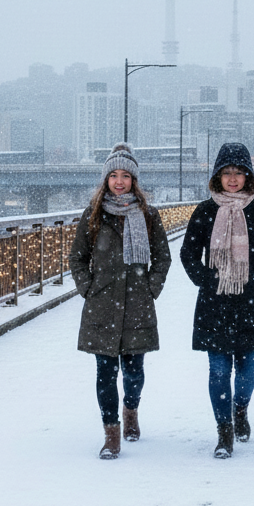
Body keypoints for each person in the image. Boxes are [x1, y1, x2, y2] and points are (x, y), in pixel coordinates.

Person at [180, 142, 254, 458]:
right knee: (217, 369)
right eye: (226, 172)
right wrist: (206, 279)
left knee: (248, 370)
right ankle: (223, 429)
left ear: (248, 176)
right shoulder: (204, 211)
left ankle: (240, 408)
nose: (232, 178)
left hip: (251, 302)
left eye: (238, 172)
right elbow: (188, 253)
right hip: (214, 303)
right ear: (217, 176)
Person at [70, 143, 172, 460]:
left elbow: (162, 258)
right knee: (104, 373)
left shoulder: (148, 215)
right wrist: (89, 288)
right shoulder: (93, 216)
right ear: (105, 180)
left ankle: (131, 411)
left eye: (125, 176)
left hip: (137, 306)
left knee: (134, 373)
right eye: (113, 175)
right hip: (101, 306)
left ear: (133, 181)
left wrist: (150, 288)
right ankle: (111, 435)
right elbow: (77, 259)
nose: (118, 181)